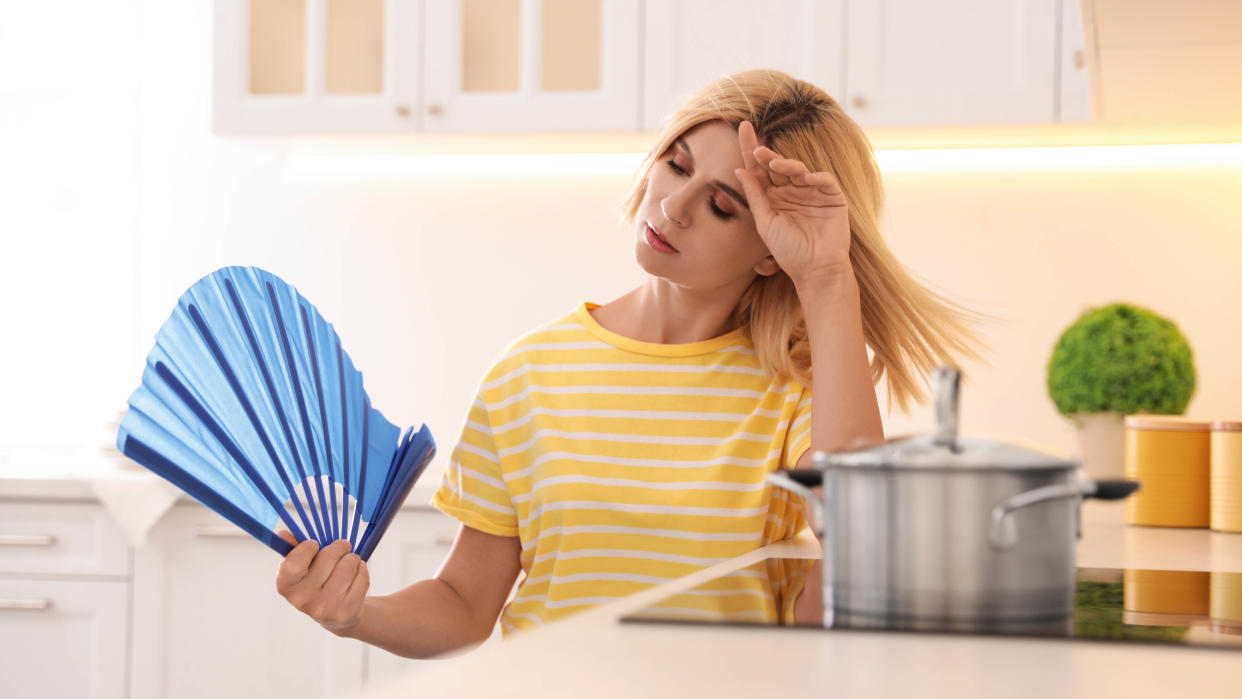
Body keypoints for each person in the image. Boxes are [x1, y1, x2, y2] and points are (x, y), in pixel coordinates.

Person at [274, 69, 982, 658]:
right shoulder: (527, 374)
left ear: (772, 248)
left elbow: (863, 536)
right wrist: (352, 612)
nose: (672, 207)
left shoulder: (793, 389)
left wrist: (826, 276)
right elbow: (463, 604)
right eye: (675, 164)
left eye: (723, 206)